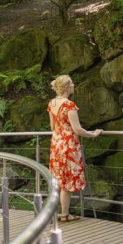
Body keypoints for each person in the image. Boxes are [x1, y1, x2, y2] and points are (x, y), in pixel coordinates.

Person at [47, 75, 102, 222]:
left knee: (60, 179)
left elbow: (53, 127)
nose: (73, 86)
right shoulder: (69, 105)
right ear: (66, 87)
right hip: (68, 145)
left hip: (56, 143)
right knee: (67, 181)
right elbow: (77, 130)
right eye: (71, 84)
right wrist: (94, 134)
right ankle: (65, 214)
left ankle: (63, 213)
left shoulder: (52, 103)